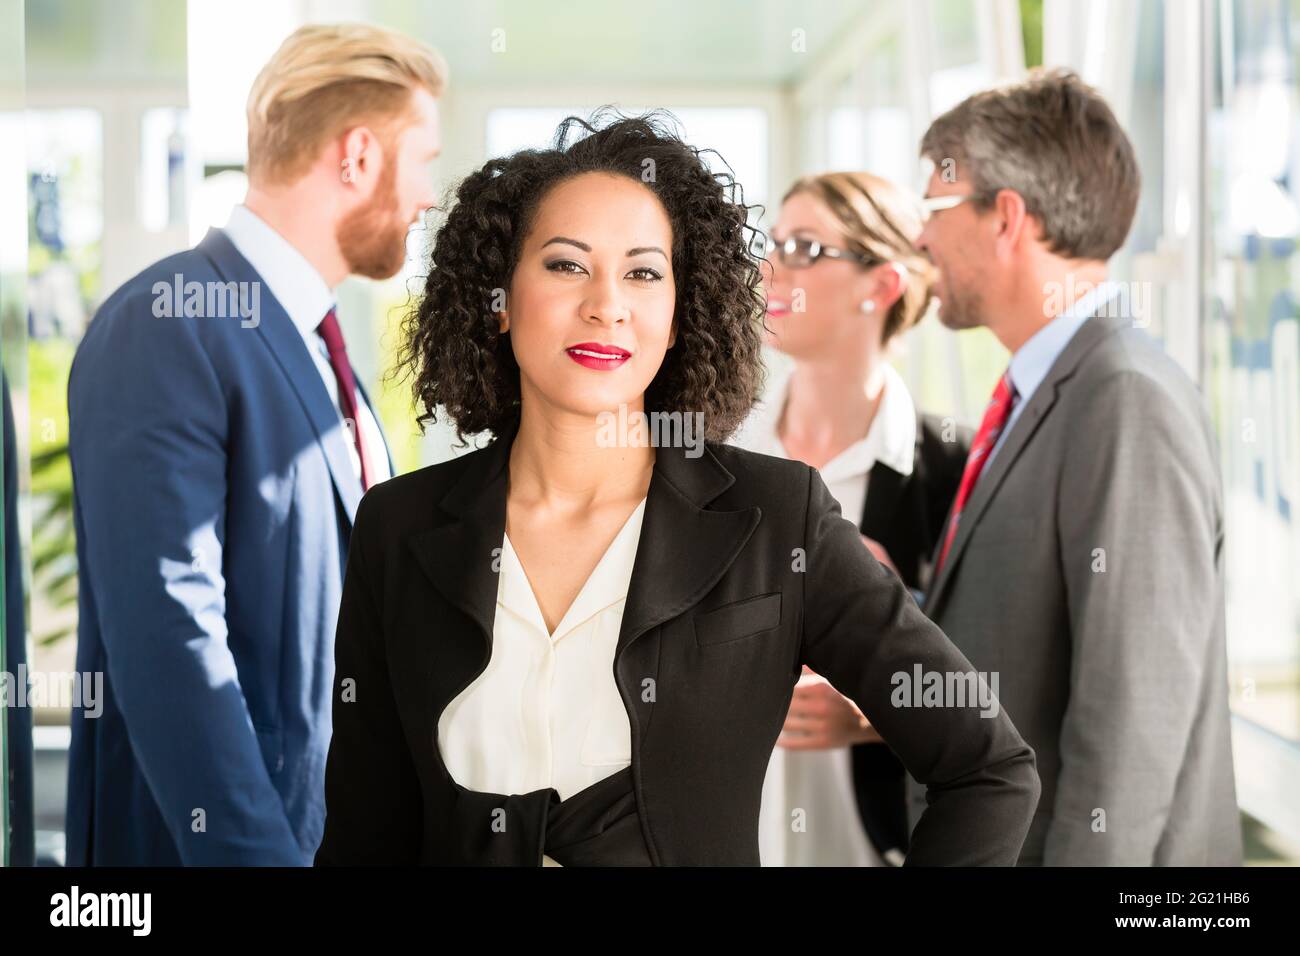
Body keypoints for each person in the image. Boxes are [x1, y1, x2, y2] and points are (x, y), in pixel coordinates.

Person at [314, 111, 1039, 866]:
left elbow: (988, 768)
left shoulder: (779, 518)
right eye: (566, 265)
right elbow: (364, 833)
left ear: (677, 316)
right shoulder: (397, 527)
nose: (607, 303)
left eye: (643, 272)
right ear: (498, 298)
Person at [65, 23, 447, 865]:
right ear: (357, 156)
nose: (428, 195)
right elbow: (172, 635)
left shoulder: (318, 347)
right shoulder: (167, 326)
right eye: (423, 159)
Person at [912, 67, 1241, 865]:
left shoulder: (1123, 396)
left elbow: (1133, 720)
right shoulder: (1051, 387)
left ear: (1006, 219)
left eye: (934, 209)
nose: (920, 238)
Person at [730, 171, 971, 867]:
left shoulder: (950, 472)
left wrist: (881, 714)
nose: (771, 267)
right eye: (772, 242)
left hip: (882, 846)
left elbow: (998, 663)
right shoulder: (717, 455)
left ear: (882, 285)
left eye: (805, 247)